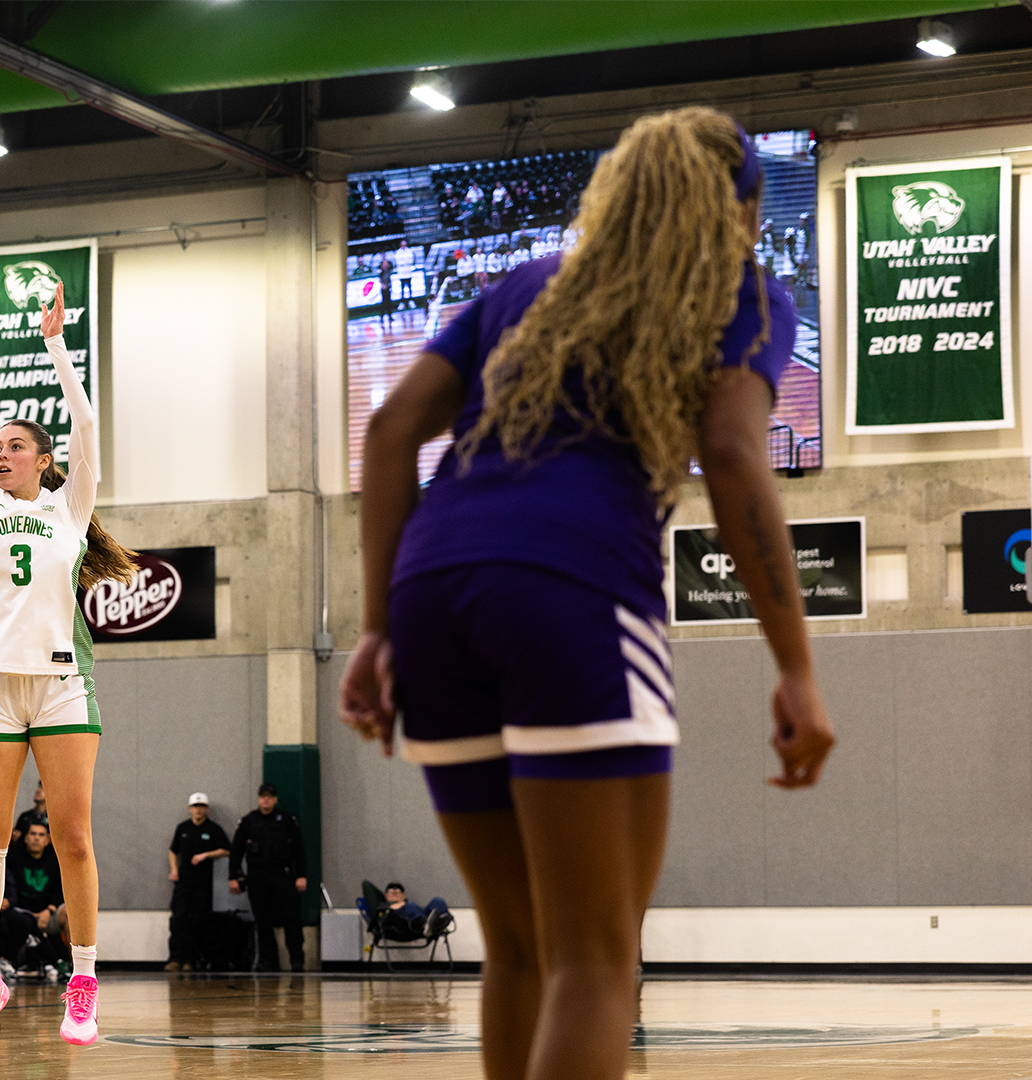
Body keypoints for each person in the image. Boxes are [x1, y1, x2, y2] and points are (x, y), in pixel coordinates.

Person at [340, 108, 836, 1080]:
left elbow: (390, 431)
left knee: (521, 950)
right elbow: (735, 453)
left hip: (433, 594)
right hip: (574, 593)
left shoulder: (525, 284)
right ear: (739, 212)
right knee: (599, 959)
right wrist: (797, 668)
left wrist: (375, 627)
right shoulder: (743, 292)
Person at [0, 285, 137, 1049]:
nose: (0, 454)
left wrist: (57, 344)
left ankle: (84, 980)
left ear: (44, 460)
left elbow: (88, 424)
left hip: (62, 682)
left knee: (75, 840)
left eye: (15, 446)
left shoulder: (68, 508)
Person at [228, 783, 307, 973]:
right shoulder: (248, 821)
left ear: (275, 799)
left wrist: (301, 875)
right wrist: (233, 876)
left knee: (291, 918)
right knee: (262, 921)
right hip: (257, 876)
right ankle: (269, 961)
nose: (266, 799)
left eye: (270, 796)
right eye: (263, 796)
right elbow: (236, 851)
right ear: (258, 798)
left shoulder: (287, 820)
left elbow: (299, 850)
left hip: (283, 874)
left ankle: (297, 961)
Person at [165, 793, 230, 972]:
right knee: (178, 920)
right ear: (190, 809)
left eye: (202, 806)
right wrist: (174, 870)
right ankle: (176, 958)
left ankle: (191, 960)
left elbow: (227, 850)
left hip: (203, 884)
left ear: (207, 809)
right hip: (184, 883)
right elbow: (173, 850)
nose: (198, 810)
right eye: (195, 806)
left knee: (198, 921)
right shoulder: (183, 828)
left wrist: (206, 855)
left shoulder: (213, 829)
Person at [3, 822, 67, 979]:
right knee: (25, 919)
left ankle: (76, 965)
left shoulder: (54, 860)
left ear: (48, 840)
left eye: (41, 835)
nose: (36, 838)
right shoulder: (14, 857)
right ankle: (56, 962)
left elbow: (61, 890)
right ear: (25, 838)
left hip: (47, 912)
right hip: (21, 911)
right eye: (32, 834)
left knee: (69, 913)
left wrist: (49, 910)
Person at [11, 781, 48, 845]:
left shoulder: (54, 820)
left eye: (43, 788)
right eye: (39, 787)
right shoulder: (25, 816)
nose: (38, 790)